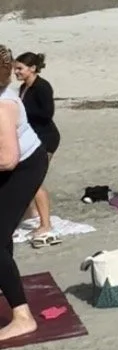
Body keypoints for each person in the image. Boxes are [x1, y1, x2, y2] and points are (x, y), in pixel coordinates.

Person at [0, 44, 50, 342]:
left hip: (24, 167)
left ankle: (23, 317)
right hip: (11, 164)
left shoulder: (3, 107)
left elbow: (8, 159)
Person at [13, 52, 60, 246]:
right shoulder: (24, 87)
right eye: (15, 68)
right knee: (26, 179)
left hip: (46, 138)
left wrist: (21, 111)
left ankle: (46, 224)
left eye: (20, 68)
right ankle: (31, 214)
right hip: (31, 138)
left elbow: (47, 113)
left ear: (32, 68)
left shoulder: (42, 87)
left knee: (35, 180)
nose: (16, 72)